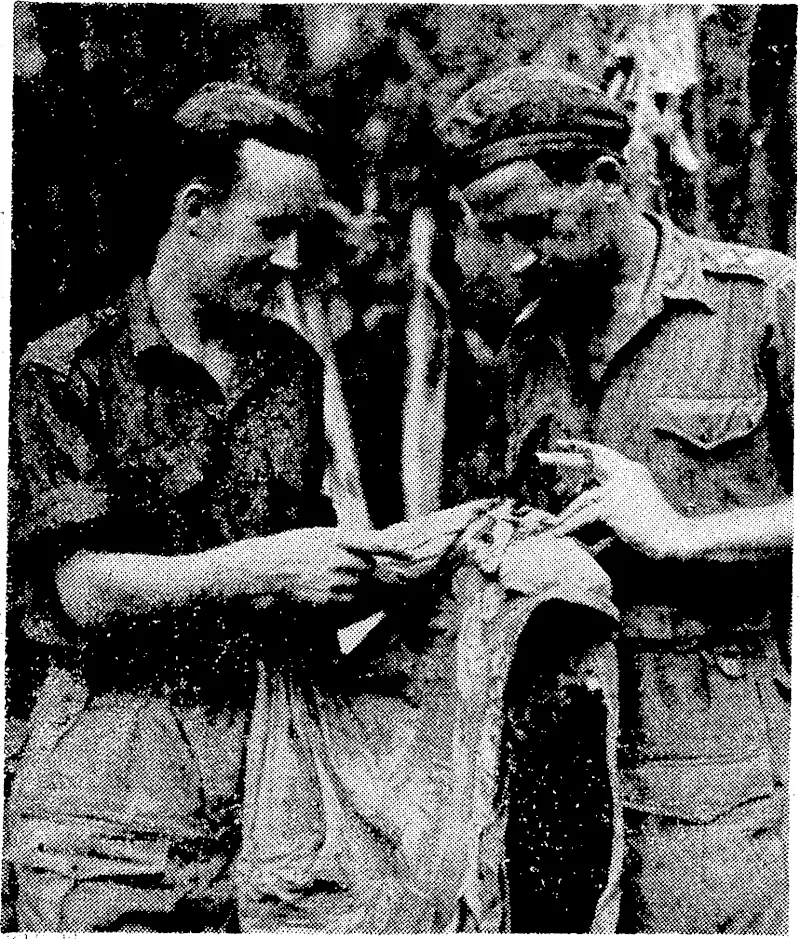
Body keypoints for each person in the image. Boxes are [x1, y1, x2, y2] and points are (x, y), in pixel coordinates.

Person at [5, 81, 385, 931]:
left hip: (271, 760)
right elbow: (85, 590)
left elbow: (309, 567)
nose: (290, 260)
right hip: (112, 771)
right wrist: (263, 566)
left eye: (302, 232)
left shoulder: (292, 367)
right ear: (197, 208)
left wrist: (402, 561)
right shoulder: (65, 369)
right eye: (272, 227)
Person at [437, 65, 792, 933]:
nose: (520, 257)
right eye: (499, 232)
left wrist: (678, 536)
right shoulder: (527, 341)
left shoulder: (764, 305)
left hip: (720, 742)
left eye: (536, 225)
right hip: (558, 742)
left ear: (606, 178)